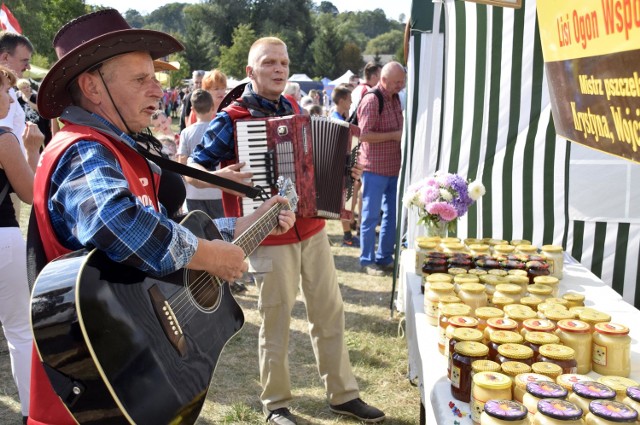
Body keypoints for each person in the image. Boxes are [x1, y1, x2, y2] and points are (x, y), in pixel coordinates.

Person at [28, 10, 295, 425]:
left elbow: (159, 226)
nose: (157, 90)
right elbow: (113, 221)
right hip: (89, 385)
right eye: (140, 79)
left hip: (129, 370)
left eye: (155, 78)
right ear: (92, 87)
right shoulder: (83, 149)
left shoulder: (123, 148)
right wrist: (209, 256)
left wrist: (242, 227)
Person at [189, 36, 385, 425]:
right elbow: (193, 170)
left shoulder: (295, 107)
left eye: (283, 62)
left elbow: (314, 164)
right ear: (250, 71)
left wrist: (347, 171)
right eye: (269, 63)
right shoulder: (232, 119)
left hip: (310, 227)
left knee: (329, 311)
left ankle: (343, 394)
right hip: (266, 232)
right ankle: (275, 404)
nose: (278, 69)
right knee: (276, 318)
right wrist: (221, 178)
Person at [0, 65, 41, 425]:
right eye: (3, 91)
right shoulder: (3, 138)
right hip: (3, 239)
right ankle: (31, 414)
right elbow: (29, 193)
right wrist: (31, 150)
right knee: (18, 331)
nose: (9, 98)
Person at [356, 61, 405, 277]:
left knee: (392, 216)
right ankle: (367, 259)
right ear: (383, 80)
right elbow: (363, 134)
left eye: (402, 82)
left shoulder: (394, 99)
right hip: (374, 169)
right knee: (370, 216)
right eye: (396, 82)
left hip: (394, 168)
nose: (401, 86)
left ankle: (385, 256)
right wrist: (394, 135)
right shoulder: (372, 100)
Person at [0, 32, 42, 221]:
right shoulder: (3, 97)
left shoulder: (9, 94)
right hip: (9, 185)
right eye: (24, 61)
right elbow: (5, 140)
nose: (28, 67)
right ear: (5, 57)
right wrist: (31, 151)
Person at [177, 88, 223, 219]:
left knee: (199, 234)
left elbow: (182, 163)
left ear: (192, 109)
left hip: (193, 193)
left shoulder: (186, 132)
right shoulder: (220, 129)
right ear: (213, 106)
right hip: (217, 192)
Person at [330, 84, 361, 248]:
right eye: (349, 100)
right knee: (345, 202)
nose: (350, 103)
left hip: (344, 168)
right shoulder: (336, 119)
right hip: (339, 170)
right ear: (341, 100)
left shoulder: (340, 117)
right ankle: (347, 237)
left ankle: (348, 235)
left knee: (348, 201)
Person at [17, 79, 53, 145]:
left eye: (28, 86)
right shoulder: (19, 100)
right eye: (24, 88)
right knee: (35, 144)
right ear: (20, 89)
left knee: (47, 141)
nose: (26, 89)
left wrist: (28, 101)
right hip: (29, 124)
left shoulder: (35, 97)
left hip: (41, 123)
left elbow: (40, 109)